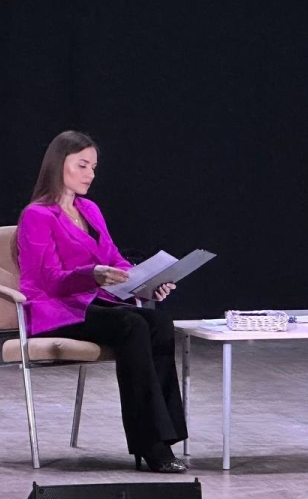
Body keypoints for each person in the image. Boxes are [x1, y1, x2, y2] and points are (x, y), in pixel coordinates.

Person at [16, 130, 188, 473]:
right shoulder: (37, 215)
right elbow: (48, 279)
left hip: (92, 304)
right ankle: (150, 444)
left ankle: (164, 437)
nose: (90, 174)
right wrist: (91, 274)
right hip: (54, 310)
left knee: (159, 321)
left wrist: (145, 284)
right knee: (131, 324)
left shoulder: (90, 209)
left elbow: (114, 259)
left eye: (93, 167)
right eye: (82, 165)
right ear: (58, 164)